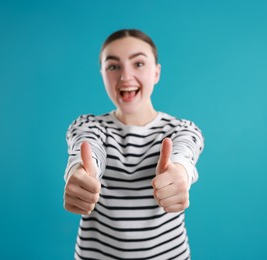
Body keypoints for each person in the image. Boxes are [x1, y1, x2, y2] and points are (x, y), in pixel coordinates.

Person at [63, 29, 204, 260]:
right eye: (113, 66)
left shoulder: (182, 129)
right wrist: (79, 172)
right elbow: (87, 147)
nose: (125, 77)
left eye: (138, 63)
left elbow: (185, 152)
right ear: (102, 73)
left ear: (156, 72)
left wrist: (180, 173)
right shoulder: (88, 125)